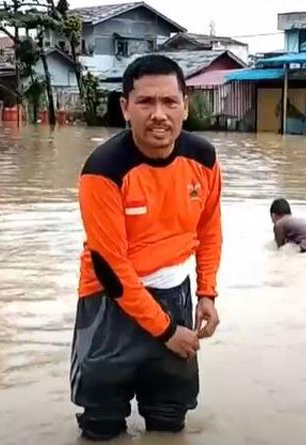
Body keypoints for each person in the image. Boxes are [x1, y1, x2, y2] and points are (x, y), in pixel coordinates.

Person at [71, 55, 222, 440]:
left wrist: (206, 292)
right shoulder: (103, 169)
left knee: (170, 419)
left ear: (186, 106)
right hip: (109, 304)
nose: (159, 114)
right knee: (101, 422)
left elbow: (209, 230)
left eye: (170, 102)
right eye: (145, 102)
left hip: (176, 295)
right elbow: (110, 267)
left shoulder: (203, 158)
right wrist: (166, 330)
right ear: (125, 107)